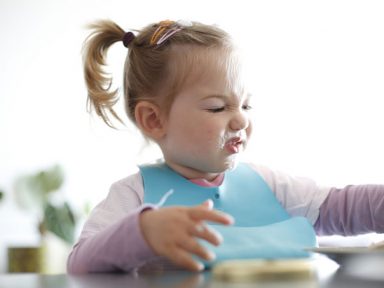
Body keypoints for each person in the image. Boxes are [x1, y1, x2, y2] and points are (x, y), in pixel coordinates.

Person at [67, 19, 384, 274]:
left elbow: (340, 208)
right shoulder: (135, 195)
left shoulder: (269, 185)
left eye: (246, 106)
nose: (241, 121)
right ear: (153, 119)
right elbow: (80, 262)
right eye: (218, 108)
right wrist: (143, 232)